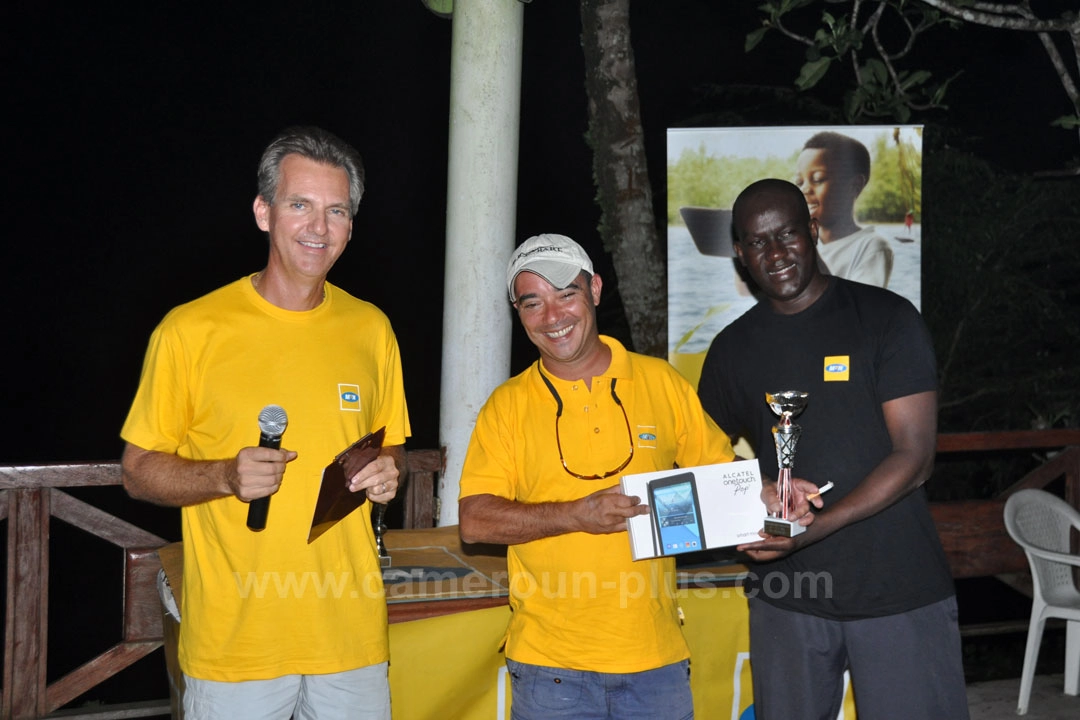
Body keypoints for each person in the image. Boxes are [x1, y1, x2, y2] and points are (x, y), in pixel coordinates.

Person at [120, 126, 410, 719]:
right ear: (263, 212)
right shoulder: (190, 330)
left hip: (351, 638)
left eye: (336, 211)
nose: (318, 227)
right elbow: (138, 471)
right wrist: (225, 476)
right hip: (236, 647)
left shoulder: (372, 329)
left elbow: (394, 447)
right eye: (299, 204)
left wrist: (389, 474)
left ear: (351, 225)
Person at [697, 179, 968, 719]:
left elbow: (914, 458)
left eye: (787, 234)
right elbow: (698, 452)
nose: (775, 253)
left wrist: (812, 529)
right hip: (785, 597)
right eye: (756, 242)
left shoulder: (887, 319)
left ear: (813, 231)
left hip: (897, 588)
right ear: (739, 253)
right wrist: (755, 487)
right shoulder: (732, 349)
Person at [458, 233, 737, 720]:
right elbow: (476, 522)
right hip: (550, 669)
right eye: (533, 303)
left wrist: (775, 496)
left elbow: (725, 483)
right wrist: (578, 514)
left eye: (566, 294)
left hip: (656, 661)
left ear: (595, 290)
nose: (553, 316)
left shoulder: (662, 382)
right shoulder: (506, 406)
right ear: (518, 314)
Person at [794, 131, 894, 288]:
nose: (805, 189)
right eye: (799, 182)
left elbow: (857, 307)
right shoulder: (799, 243)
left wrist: (810, 251)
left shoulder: (872, 247)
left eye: (818, 179)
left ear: (854, 185)